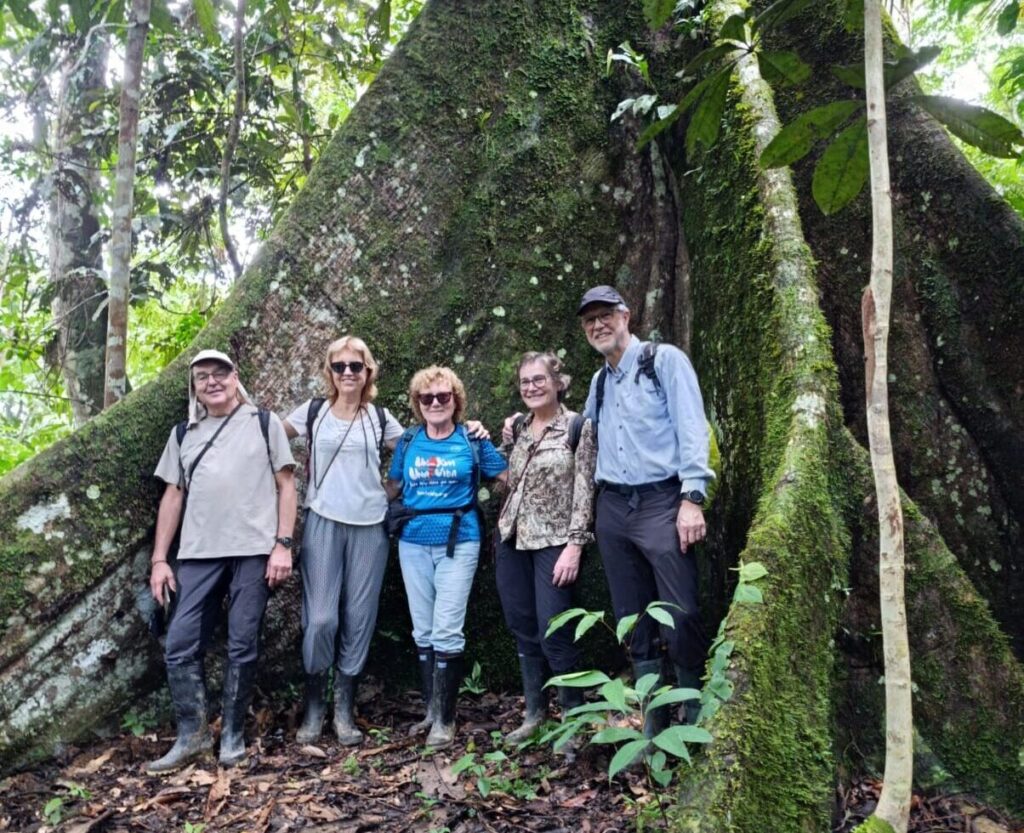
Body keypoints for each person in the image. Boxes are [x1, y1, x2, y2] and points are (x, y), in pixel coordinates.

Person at [147, 349, 297, 773]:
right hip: (197, 554)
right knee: (179, 643)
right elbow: (172, 496)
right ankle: (192, 737)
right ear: (194, 387)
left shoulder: (264, 423)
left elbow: (286, 486)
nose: (212, 382)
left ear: (235, 378)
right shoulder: (183, 433)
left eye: (220, 373)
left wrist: (282, 544)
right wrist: (160, 559)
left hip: (253, 550)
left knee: (243, 641)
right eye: (202, 377)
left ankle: (231, 735)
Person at [577, 285, 714, 734]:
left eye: (606, 315)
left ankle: (692, 716)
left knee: (681, 613)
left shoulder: (663, 361)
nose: (598, 325)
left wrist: (692, 498)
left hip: (661, 500)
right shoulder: (599, 382)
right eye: (590, 319)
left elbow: (692, 426)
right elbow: (584, 436)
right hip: (614, 507)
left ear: (626, 316)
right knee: (632, 617)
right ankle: (654, 726)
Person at [282, 336, 404, 746]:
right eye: (340, 366)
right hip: (322, 521)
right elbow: (267, 433)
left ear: (368, 371)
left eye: (356, 366)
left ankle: (343, 708)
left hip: (370, 527)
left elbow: (418, 450)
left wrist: (386, 491)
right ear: (329, 372)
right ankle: (315, 702)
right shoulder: (314, 412)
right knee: (320, 619)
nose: (348, 373)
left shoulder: (380, 418)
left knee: (359, 616)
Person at [386, 366, 507, 748]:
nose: (436, 403)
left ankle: (446, 720)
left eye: (444, 396)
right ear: (417, 404)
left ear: (456, 400)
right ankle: (431, 711)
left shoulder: (471, 439)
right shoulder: (408, 441)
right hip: (413, 539)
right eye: (427, 398)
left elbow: (506, 477)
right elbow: (391, 487)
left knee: (447, 627)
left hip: (461, 538)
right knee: (422, 628)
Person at [496, 352, 596, 742]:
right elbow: (509, 477)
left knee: (555, 628)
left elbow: (585, 488)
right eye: (525, 382)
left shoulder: (576, 426)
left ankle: (572, 721)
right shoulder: (519, 426)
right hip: (512, 538)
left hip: (555, 541)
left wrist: (576, 545)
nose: (532, 388)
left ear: (558, 383)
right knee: (522, 626)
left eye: (539, 380)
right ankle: (534, 714)